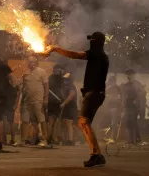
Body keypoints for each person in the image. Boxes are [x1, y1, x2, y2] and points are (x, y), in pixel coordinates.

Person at [45, 31, 109, 167]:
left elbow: (75, 55)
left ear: (96, 41)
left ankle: (96, 155)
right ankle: (96, 154)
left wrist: (55, 48)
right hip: (95, 93)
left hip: (94, 93)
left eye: (92, 40)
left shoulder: (97, 54)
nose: (90, 42)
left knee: (83, 122)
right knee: (84, 123)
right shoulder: (101, 55)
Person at [17, 56, 51, 148]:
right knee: (25, 121)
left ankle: (45, 139)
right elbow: (20, 85)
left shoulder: (42, 72)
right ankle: (23, 140)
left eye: (32, 61)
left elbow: (46, 86)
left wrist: (46, 98)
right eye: (29, 62)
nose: (30, 63)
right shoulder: (25, 74)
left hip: (38, 100)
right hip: (27, 101)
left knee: (41, 119)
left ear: (36, 62)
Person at [122, 70, 144, 145]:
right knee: (128, 123)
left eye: (129, 74)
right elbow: (124, 95)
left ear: (133, 75)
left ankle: (136, 139)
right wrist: (123, 103)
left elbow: (142, 93)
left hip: (134, 106)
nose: (128, 76)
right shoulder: (126, 85)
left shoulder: (137, 83)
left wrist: (137, 100)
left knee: (133, 122)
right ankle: (130, 139)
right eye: (127, 75)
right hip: (127, 106)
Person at [47, 64, 64, 144]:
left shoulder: (50, 77)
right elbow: (62, 90)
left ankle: (49, 139)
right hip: (57, 101)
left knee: (51, 121)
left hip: (51, 101)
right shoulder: (61, 79)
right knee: (56, 121)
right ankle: (53, 138)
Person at [60, 72, 77, 146]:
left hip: (70, 106)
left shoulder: (71, 86)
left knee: (69, 123)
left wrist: (64, 103)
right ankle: (65, 140)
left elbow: (71, 95)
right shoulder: (64, 86)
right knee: (64, 123)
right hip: (66, 106)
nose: (64, 80)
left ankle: (70, 140)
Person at [104, 74, 122, 143]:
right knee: (110, 123)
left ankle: (113, 137)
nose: (111, 83)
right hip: (109, 108)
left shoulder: (118, 88)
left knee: (113, 123)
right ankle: (109, 137)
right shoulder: (109, 88)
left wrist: (112, 98)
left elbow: (120, 98)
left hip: (115, 108)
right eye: (110, 81)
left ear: (114, 81)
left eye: (111, 81)